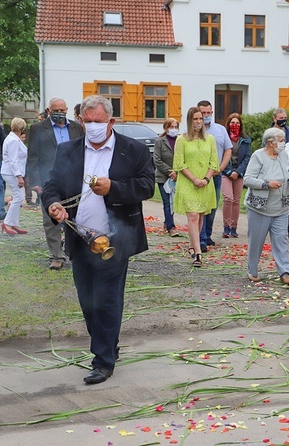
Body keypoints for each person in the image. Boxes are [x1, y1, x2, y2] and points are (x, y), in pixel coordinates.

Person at [42, 95, 155, 384]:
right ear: (81, 121)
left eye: (98, 121)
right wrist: (53, 204)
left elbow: (146, 187)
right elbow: (52, 185)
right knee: (88, 301)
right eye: (87, 121)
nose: (92, 125)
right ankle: (108, 345)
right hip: (80, 238)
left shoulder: (133, 150)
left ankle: (102, 361)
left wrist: (113, 188)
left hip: (115, 239)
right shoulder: (68, 150)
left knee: (106, 300)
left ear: (111, 121)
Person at [27, 97, 85, 270]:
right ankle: (56, 256)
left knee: (74, 216)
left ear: (66, 110)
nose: (59, 113)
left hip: (73, 178)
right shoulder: (37, 129)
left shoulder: (76, 128)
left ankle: (75, 251)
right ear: (48, 110)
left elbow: (83, 152)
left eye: (62, 110)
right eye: (56, 111)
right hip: (48, 179)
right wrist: (35, 182)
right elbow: (33, 157)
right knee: (50, 217)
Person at [243, 127, 289, 285]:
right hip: (260, 208)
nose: (283, 144)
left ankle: (285, 272)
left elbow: (287, 174)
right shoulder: (258, 156)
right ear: (271, 142)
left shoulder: (284, 155)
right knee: (256, 241)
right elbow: (247, 179)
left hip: (281, 207)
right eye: (281, 141)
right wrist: (267, 184)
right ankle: (252, 270)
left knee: (281, 240)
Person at [173, 107, 218, 267]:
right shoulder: (182, 139)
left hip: (206, 183)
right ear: (190, 121)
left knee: (199, 216)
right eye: (195, 119)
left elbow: (214, 161)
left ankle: (193, 245)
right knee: (192, 215)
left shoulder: (210, 139)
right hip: (188, 183)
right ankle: (198, 253)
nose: (199, 122)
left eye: (200, 118)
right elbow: (179, 163)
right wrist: (194, 179)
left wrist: (206, 178)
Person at [198, 100, 232, 252]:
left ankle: (208, 234)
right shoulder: (192, 130)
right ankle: (201, 237)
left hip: (216, 174)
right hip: (199, 175)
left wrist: (221, 167)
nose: (206, 116)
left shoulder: (220, 130)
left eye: (208, 113)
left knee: (212, 206)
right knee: (200, 207)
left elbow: (228, 150)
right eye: (203, 113)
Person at [221, 113, 251, 238]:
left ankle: (234, 227)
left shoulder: (245, 140)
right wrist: (228, 171)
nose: (235, 125)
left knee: (236, 201)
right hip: (226, 171)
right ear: (228, 124)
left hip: (239, 172)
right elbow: (221, 155)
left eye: (237, 123)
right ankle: (226, 226)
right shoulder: (224, 138)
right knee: (228, 198)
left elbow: (247, 157)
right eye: (232, 123)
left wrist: (238, 172)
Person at [0, 118, 29, 235]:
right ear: (22, 129)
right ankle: (7, 223)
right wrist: (19, 176)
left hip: (11, 172)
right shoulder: (13, 141)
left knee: (18, 197)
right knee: (18, 197)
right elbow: (13, 161)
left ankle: (13, 223)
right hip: (11, 173)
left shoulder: (13, 139)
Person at [153, 118, 180, 237]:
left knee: (173, 201)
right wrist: (170, 172)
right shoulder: (159, 141)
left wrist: (177, 172)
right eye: (171, 127)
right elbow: (157, 160)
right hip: (163, 177)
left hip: (177, 177)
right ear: (166, 128)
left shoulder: (180, 141)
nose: (173, 129)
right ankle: (171, 226)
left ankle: (167, 222)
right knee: (167, 202)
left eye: (175, 127)